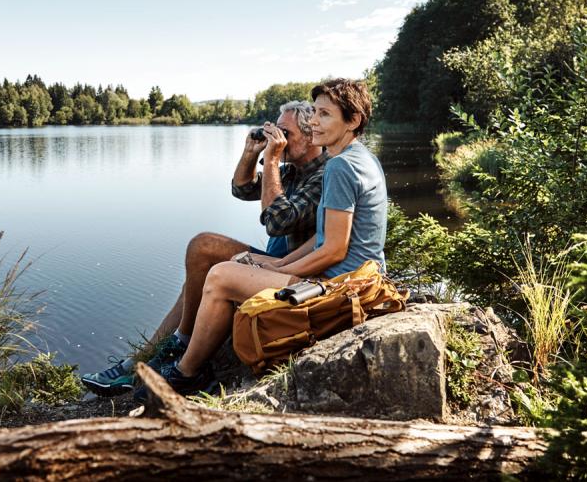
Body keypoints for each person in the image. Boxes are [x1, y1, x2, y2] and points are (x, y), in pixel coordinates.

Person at [134, 78, 387, 400]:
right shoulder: (359, 158)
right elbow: (326, 237)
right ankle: (186, 358)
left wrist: (278, 272)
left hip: (341, 285)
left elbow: (335, 249)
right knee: (236, 263)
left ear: (353, 121)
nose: (314, 123)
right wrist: (276, 262)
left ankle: (187, 374)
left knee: (222, 276)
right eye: (314, 114)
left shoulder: (339, 167)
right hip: (352, 277)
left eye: (324, 115)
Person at [82, 101, 327, 395]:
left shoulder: (323, 175)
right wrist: (251, 154)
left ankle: (176, 349)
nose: (279, 139)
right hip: (279, 261)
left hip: (294, 270)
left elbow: (277, 223)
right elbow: (242, 189)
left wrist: (272, 161)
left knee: (204, 247)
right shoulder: (293, 171)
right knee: (198, 270)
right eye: (276, 132)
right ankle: (143, 359)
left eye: (285, 132)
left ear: (310, 135)